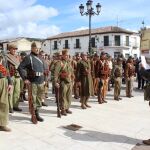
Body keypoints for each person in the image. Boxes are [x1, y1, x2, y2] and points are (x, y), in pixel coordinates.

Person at [18, 42, 45, 122]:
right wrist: (25, 78)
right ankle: (33, 114)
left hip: (40, 81)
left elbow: (42, 70)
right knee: (32, 99)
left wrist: (44, 80)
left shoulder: (40, 58)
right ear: (32, 48)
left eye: (38, 48)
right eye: (36, 48)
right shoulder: (28, 57)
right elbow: (20, 68)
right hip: (33, 81)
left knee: (39, 99)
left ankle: (37, 113)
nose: (37, 49)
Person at [54, 50, 74, 115]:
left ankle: (67, 108)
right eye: (66, 55)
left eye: (68, 55)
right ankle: (63, 109)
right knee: (63, 96)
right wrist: (56, 82)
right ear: (62, 55)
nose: (67, 56)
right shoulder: (60, 63)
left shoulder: (69, 62)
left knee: (69, 96)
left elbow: (71, 72)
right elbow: (56, 73)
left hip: (69, 81)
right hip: (63, 82)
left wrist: (73, 79)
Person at [6, 44, 22, 113]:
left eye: (15, 49)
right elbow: (5, 68)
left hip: (18, 76)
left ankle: (16, 105)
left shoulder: (18, 57)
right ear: (9, 49)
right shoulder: (6, 57)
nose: (14, 50)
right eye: (13, 49)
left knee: (17, 91)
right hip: (11, 76)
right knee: (10, 92)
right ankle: (10, 107)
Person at [0, 52, 12, 132]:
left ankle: (2, 124)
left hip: (3, 81)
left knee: (4, 103)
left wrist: (10, 82)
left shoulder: (3, 56)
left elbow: (6, 70)